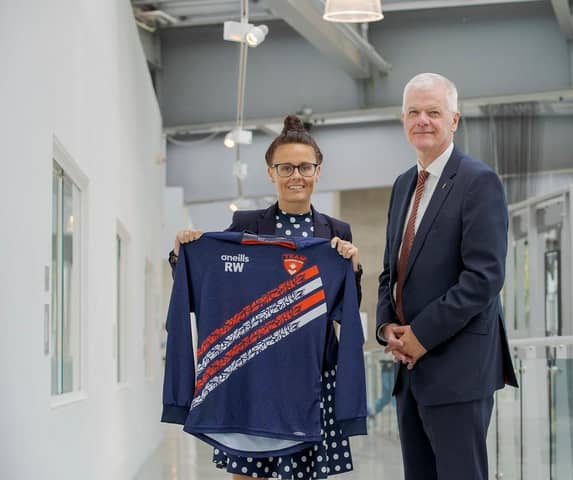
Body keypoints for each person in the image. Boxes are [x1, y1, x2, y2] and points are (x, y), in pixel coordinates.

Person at [170, 114, 363, 480]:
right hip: (252, 371)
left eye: (305, 167)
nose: (296, 176)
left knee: (304, 473)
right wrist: (184, 253)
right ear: (270, 172)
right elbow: (215, 283)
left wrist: (352, 266)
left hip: (311, 373)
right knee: (247, 475)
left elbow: (343, 308)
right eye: (286, 167)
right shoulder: (246, 224)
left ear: (318, 171)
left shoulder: (336, 232)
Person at [375, 73, 518, 480]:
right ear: (403, 119)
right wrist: (388, 327)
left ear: (454, 120)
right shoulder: (404, 185)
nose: (423, 120)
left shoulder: (479, 181)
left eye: (433, 112)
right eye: (414, 112)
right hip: (409, 368)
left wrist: (420, 335)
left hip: (458, 368)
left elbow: (484, 278)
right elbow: (392, 270)